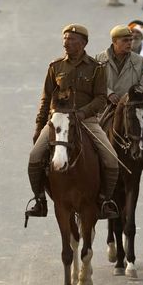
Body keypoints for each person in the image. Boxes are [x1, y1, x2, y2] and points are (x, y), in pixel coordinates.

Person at [26, 25, 119, 221]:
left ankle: (104, 200)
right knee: (35, 156)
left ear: (83, 43)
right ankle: (40, 200)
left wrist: (83, 113)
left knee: (111, 159)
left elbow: (101, 98)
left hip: (86, 121)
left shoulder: (96, 68)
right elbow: (45, 99)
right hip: (58, 120)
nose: (66, 43)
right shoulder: (55, 66)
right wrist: (39, 126)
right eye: (65, 39)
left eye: (71, 39)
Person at [96, 25, 143, 193]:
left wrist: (130, 96)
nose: (130, 43)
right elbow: (95, 83)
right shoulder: (99, 59)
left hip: (133, 109)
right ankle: (93, 175)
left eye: (131, 40)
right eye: (125, 40)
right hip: (106, 108)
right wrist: (108, 93)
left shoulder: (139, 61)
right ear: (114, 42)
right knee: (92, 136)